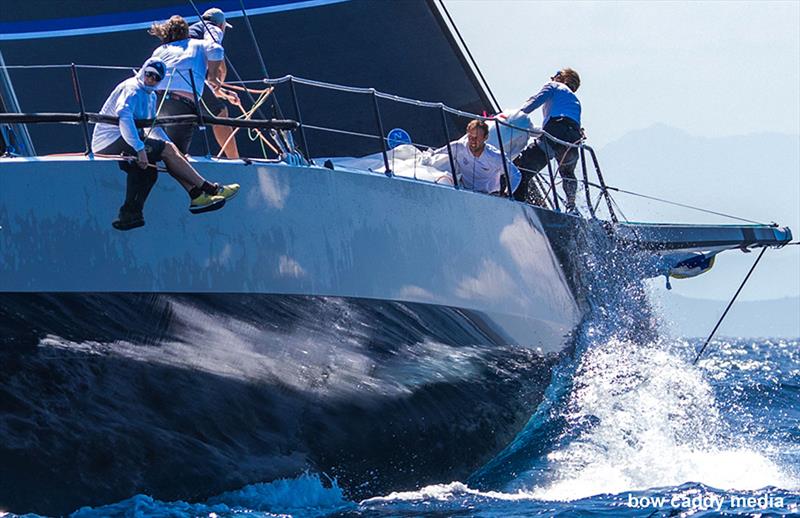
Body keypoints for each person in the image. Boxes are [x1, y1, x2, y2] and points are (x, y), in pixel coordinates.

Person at [91, 57, 239, 230]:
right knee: (164, 151)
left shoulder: (151, 95)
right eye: (149, 75)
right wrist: (140, 149)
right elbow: (125, 118)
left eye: (156, 78)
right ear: (143, 71)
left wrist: (173, 151)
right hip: (108, 142)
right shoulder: (132, 89)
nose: (151, 80)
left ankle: (131, 215)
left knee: (150, 171)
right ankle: (209, 189)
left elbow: (152, 126)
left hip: (127, 138)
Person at [149, 15, 225, 154]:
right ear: (187, 32)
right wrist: (213, 77)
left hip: (154, 102)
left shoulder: (160, 50)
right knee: (178, 155)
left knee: (159, 149)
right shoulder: (197, 44)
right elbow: (216, 49)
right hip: (180, 105)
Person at [514, 67, 583, 212]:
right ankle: (571, 206)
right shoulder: (574, 100)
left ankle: (517, 201)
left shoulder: (555, 86)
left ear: (563, 78)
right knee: (568, 173)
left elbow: (534, 101)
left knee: (523, 167)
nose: (552, 77)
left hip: (556, 129)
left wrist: (513, 116)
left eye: (556, 75)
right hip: (573, 137)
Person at [188, 8, 240, 158]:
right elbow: (215, 49)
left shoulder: (192, 32)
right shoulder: (212, 29)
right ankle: (235, 160)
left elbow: (207, 87)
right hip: (188, 78)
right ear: (221, 25)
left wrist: (225, 94)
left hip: (171, 79)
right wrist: (214, 76)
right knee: (220, 113)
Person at [435, 119, 520, 195]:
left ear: (485, 137)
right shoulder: (458, 147)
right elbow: (435, 155)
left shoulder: (495, 156)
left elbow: (516, 175)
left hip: (488, 196)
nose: (472, 141)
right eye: (470, 137)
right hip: (463, 191)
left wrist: (506, 194)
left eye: (476, 138)